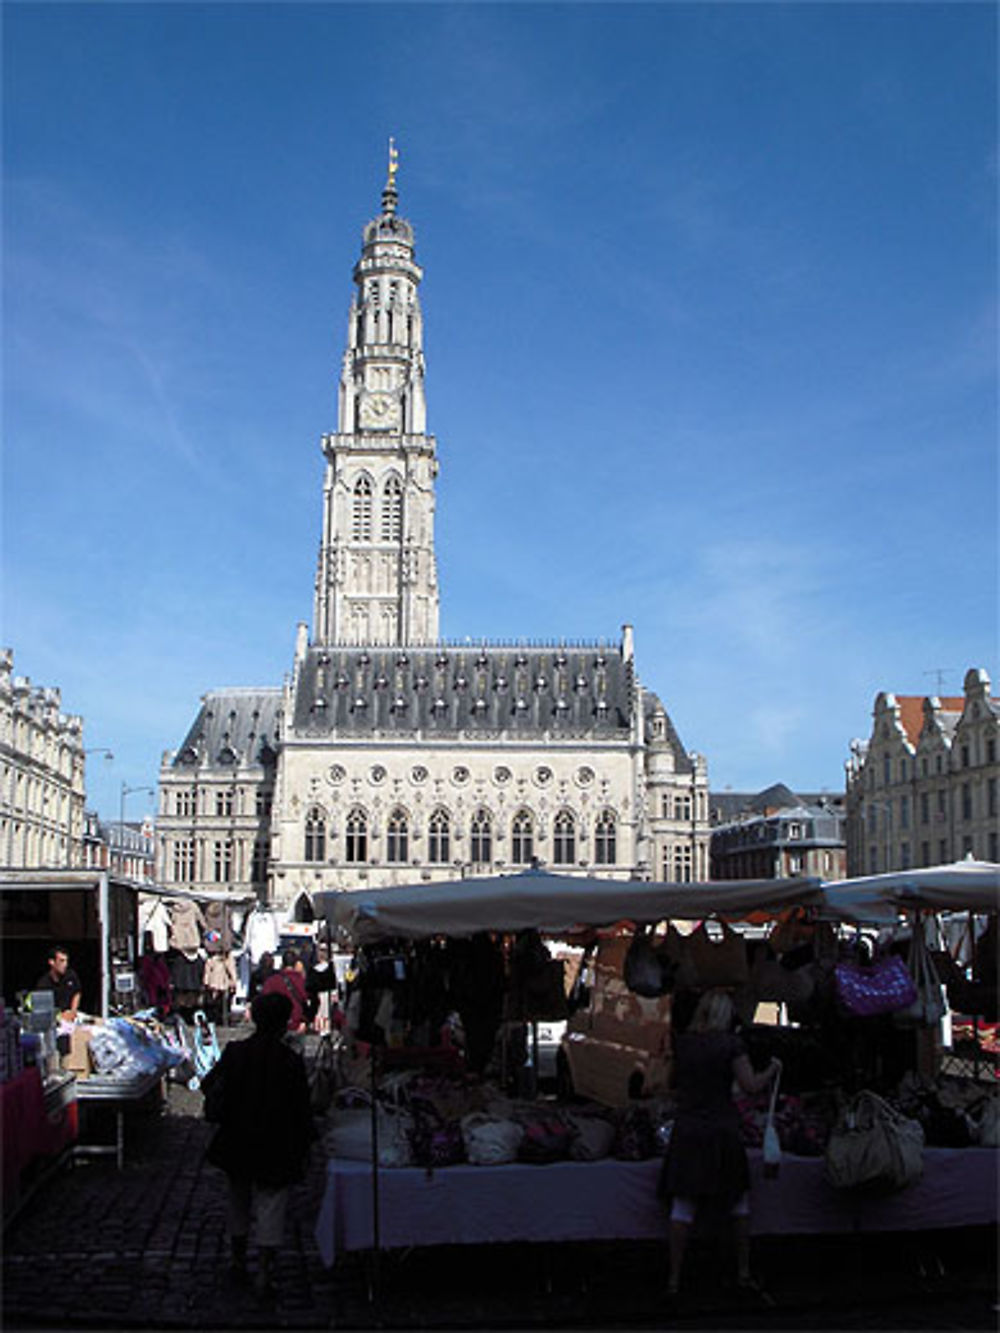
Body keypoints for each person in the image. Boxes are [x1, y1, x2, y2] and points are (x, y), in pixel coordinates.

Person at [659, 987, 781, 1298]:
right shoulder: (731, 1045)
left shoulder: (683, 1044)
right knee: (737, 1202)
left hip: (687, 1130)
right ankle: (742, 1273)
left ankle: (673, 1280)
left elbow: (669, 1083)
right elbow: (750, 1085)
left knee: (682, 1206)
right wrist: (772, 1069)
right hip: (721, 1129)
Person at [202, 991, 313, 1299]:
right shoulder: (289, 1061)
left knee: (239, 1198)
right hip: (275, 1141)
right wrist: (307, 1144)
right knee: (271, 1205)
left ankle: (238, 1260)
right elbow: (302, 1107)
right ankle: (264, 1269)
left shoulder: (237, 1052)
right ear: (282, 1024)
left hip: (238, 1137)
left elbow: (209, 1083)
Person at [261, 950, 309, 1034]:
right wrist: (304, 1022)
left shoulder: (272, 980)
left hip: (276, 1024)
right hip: (296, 1023)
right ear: (295, 964)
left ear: (282, 963)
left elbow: (263, 1001)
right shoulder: (302, 981)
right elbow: (308, 1001)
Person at [35, 945, 82, 1018]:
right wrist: (61, 1016)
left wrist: (73, 1011)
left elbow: (77, 992)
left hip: (72, 1015)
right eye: (62, 961)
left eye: (66, 961)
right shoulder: (43, 984)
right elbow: (43, 1010)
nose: (65, 964)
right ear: (52, 962)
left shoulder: (71, 975)